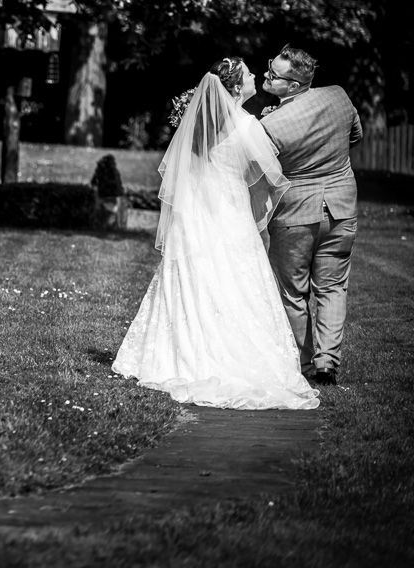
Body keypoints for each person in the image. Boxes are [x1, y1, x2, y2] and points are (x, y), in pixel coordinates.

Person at [113, 58, 319, 410]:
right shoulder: (248, 126)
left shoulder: (197, 128)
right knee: (237, 285)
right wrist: (260, 215)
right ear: (237, 87)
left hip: (195, 217)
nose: (256, 75)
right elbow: (269, 178)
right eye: (250, 73)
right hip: (231, 216)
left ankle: (183, 355)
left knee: (196, 283)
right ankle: (233, 357)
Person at [259, 45, 363, 386]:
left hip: (294, 214)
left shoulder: (270, 125)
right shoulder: (338, 96)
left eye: (272, 74)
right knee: (333, 287)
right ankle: (327, 363)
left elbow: (264, 170)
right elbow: (356, 136)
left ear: (292, 86)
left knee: (293, 292)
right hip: (341, 208)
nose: (265, 75)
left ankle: (304, 366)